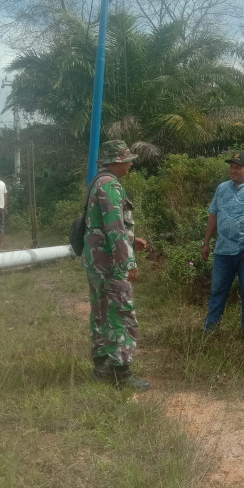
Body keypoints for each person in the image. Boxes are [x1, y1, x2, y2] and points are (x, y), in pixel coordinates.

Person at [82, 140, 150, 391]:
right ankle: (122, 373)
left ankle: (102, 369)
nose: (131, 164)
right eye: (128, 160)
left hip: (96, 260)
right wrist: (128, 261)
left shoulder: (98, 181)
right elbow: (114, 227)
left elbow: (103, 226)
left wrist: (133, 240)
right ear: (117, 161)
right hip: (110, 263)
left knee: (100, 312)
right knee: (120, 312)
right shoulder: (110, 185)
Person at [202, 151, 244, 332]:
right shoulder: (222, 188)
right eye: (231, 167)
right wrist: (206, 243)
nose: (233, 170)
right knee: (218, 291)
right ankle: (211, 328)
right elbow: (213, 215)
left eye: (238, 167)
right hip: (222, 250)